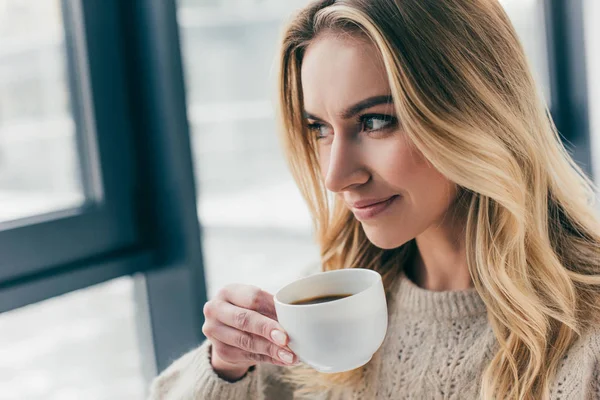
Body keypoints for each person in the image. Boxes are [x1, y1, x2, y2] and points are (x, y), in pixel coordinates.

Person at [149, 0, 600, 398]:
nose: (335, 176)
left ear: (475, 111)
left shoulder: (588, 339)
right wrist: (226, 368)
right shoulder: (326, 309)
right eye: (319, 128)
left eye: (375, 121)